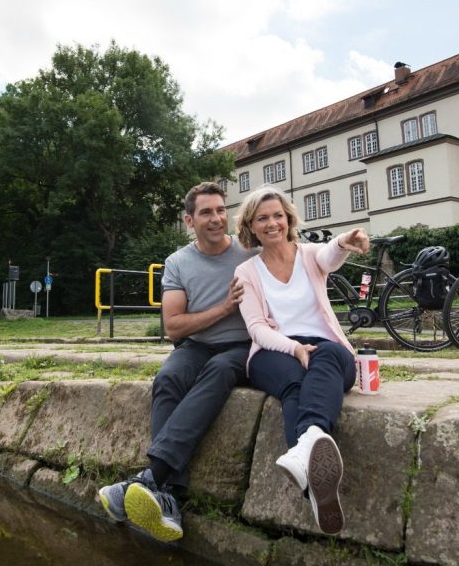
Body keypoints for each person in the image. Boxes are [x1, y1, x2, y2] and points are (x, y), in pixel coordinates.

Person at [98, 181, 254, 543]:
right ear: (189, 220)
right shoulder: (178, 262)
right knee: (167, 378)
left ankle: (154, 482)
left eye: (220, 210)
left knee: (218, 371)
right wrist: (224, 308)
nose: (216, 219)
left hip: (243, 345)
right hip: (195, 345)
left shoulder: (250, 253)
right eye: (206, 213)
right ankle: (167, 495)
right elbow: (174, 326)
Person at [232, 186, 369, 535]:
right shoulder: (247, 272)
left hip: (324, 347)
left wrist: (344, 240)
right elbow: (257, 328)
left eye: (278, 215)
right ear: (251, 225)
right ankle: (314, 457)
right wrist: (293, 348)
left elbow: (330, 256)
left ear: (289, 218)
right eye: (262, 218)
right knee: (293, 381)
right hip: (273, 351)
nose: (272, 223)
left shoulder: (309, 255)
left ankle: (306, 444)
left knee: (325, 357)